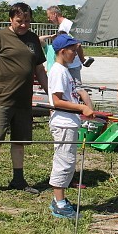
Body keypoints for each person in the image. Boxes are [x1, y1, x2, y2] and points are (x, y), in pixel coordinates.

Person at [0, 2, 48, 198]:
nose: (23, 25)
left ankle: (18, 179)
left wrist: (51, 92)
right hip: (1, 98)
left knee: (19, 141)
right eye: (19, 21)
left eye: (27, 21)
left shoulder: (33, 39)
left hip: (24, 101)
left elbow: (39, 69)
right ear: (11, 19)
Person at [46, 34, 93, 219]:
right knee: (63, 163)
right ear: (62, 51)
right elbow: (56, 101)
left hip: (69, 123)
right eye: (73, 50)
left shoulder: (64, 70)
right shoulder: (58, 71)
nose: (76, 53)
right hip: (63, 124)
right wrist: (81, 107)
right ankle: (59, 203)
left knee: (68, 162)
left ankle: (60, 199)